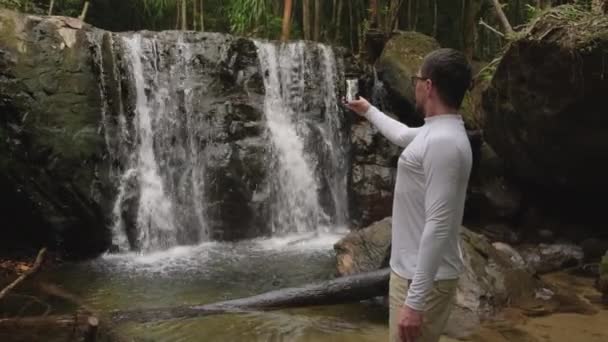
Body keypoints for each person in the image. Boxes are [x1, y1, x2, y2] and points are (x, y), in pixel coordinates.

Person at [344, 48, 473, 342]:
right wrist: (367, 110)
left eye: (417, 78)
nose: (414, 84)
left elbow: (439, 225)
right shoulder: (439, 132)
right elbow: (403, 135)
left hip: (423, 279)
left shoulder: (445, 144)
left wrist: (415, 302)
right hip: (414, 274)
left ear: (428, 86)